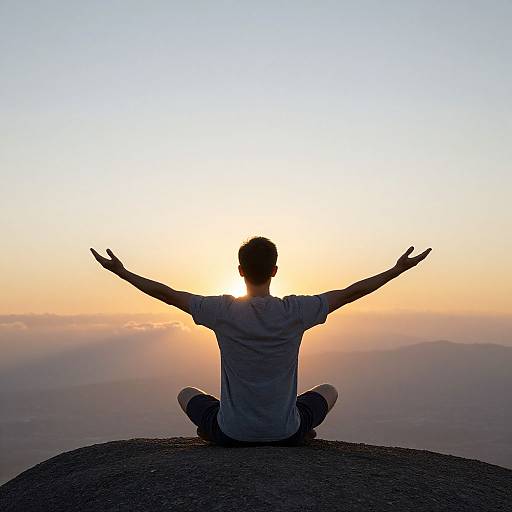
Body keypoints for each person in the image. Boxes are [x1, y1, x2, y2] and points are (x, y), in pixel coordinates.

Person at [90, 237, 431, 447]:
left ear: (240, 270)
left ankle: (213, 433)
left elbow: (167, 295)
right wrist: (396, 270)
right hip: (286, 434)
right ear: (275, 270)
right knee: (329, 390)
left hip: (230, 434)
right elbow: (351, 292)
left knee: (186, 394)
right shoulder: (296, 311)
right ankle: (300, 434)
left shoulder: (221, 311)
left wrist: (122, 272)